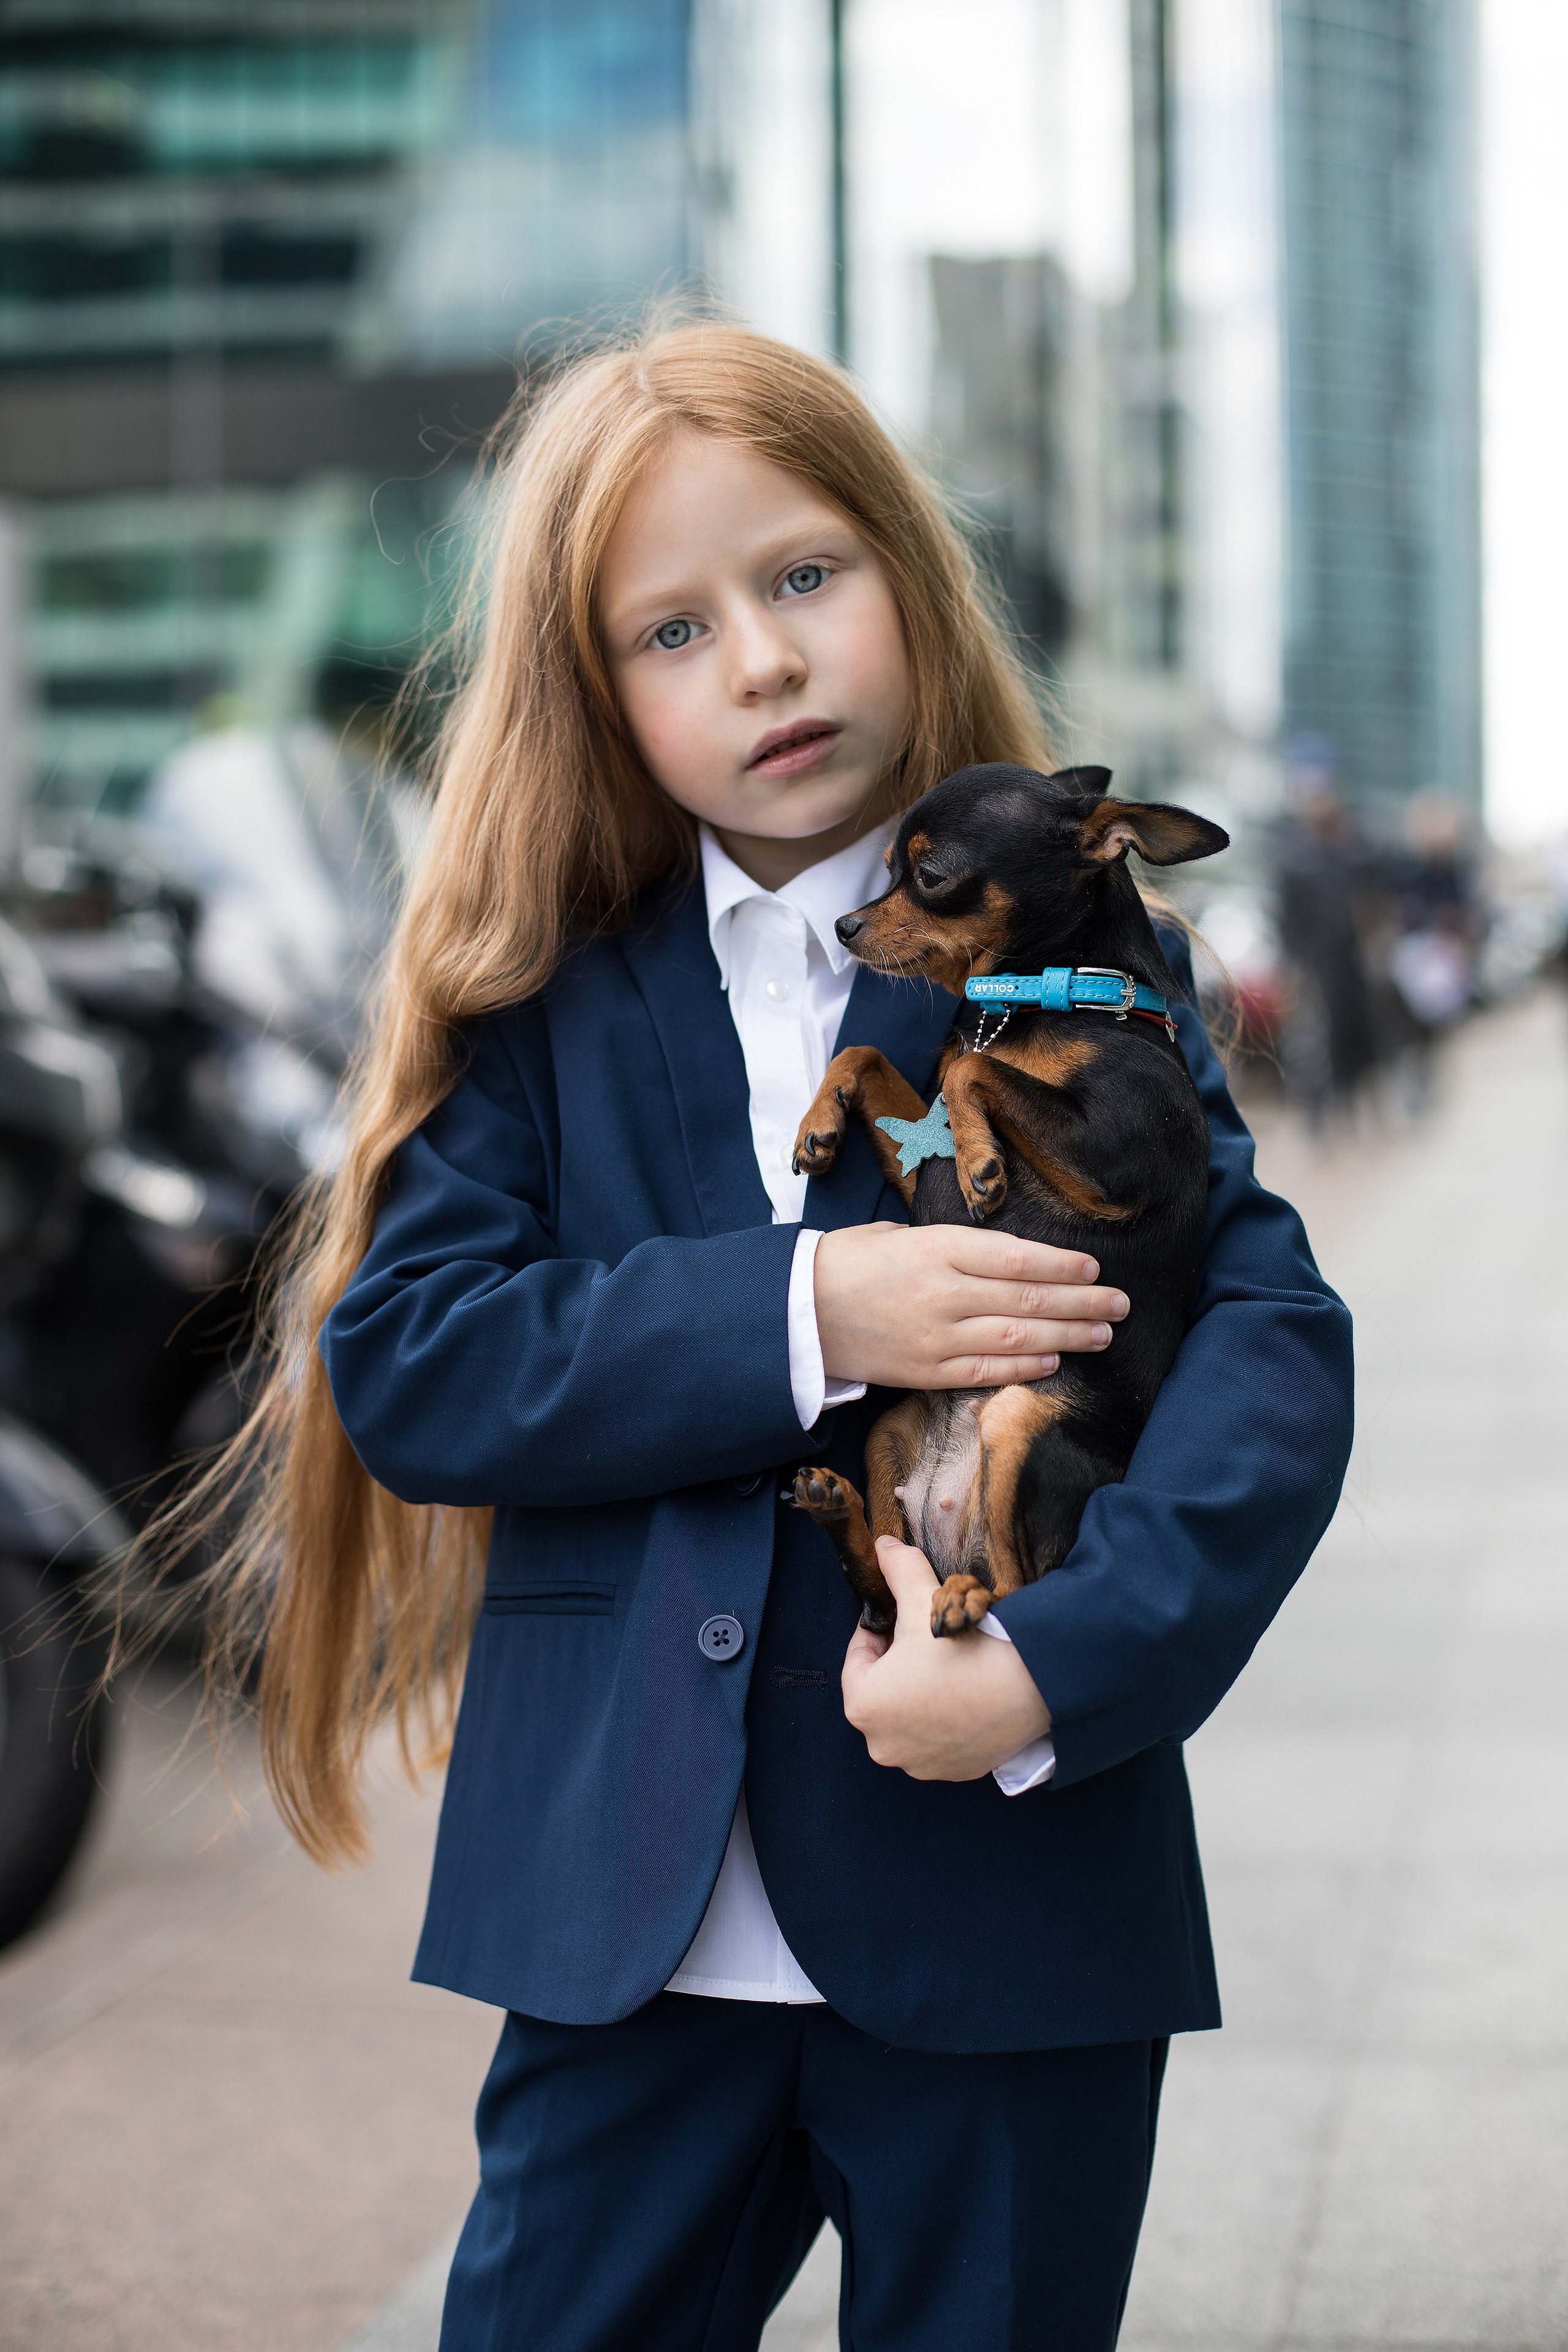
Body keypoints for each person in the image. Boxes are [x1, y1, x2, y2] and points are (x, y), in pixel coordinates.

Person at [197, 322, 1354, 2350]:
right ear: (596, 697)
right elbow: (415, 1359)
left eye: (806, 576)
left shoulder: (1083, 955)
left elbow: (1270, 1342)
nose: (763, 660)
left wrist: (1057, 1677)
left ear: (907, 572)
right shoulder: (536, 1001)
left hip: (1009, 1919)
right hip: (620, 1949)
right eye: (672, 629)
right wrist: (816, 1302)